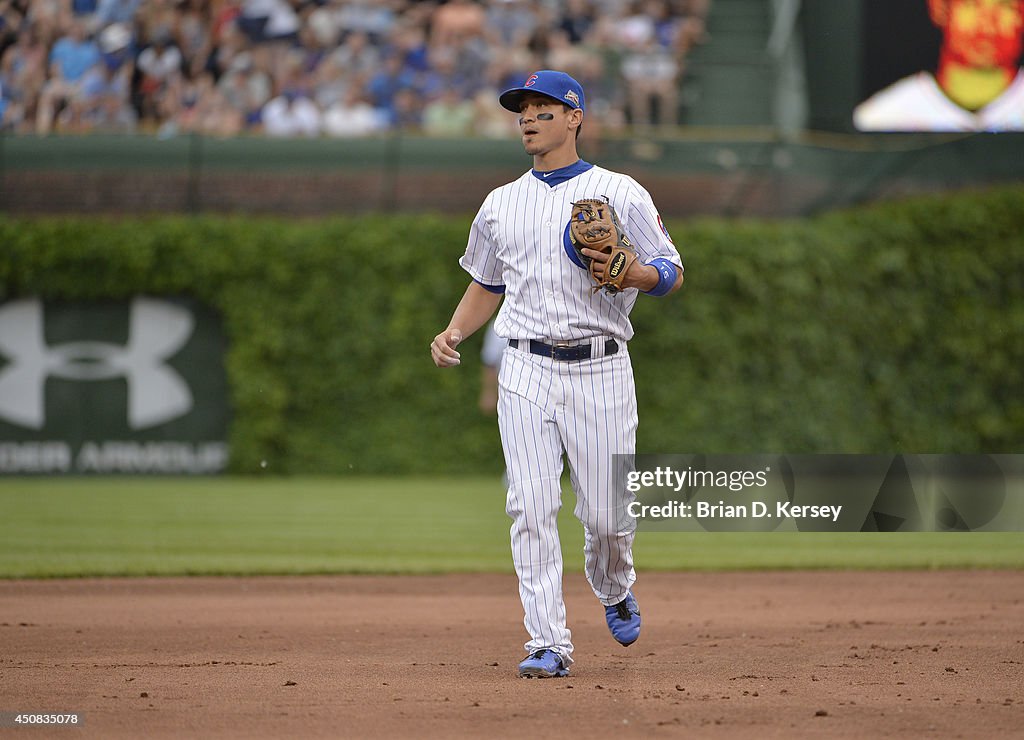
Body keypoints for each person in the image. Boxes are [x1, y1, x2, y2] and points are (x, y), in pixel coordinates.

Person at [430, 70, 684, 679]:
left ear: (575, 117)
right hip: (524, 365)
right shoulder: (499, 203)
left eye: (544, 108)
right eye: (522, 110)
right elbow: (487, 282)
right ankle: (548, 640)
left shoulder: (619, 191)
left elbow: (671, 270)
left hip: (600, 368)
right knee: (531, 505)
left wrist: (636, 275)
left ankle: (614, 585)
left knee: (605, 515)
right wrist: (454, 331)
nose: (528, 118)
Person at [854, 0, 1024, 131]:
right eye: (971, 4)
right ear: (940, 9)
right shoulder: (882, 118)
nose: (988, 24)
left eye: (1006, 6)